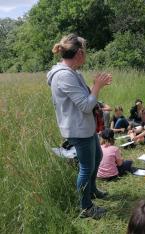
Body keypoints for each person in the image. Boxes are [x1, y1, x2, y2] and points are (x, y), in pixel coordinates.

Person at [47, 34, 111, 219]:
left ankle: (91, 191)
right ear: (80, 53)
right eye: (86, 52)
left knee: (97, 157)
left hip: (86, 126)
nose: (87, 56)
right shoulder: (63, 76)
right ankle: (86, 208)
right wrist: (97, 87)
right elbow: (85, 105)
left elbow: (85, 100)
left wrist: (95, 91)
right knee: (86, 167)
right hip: (77, 129)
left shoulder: (74, 73)